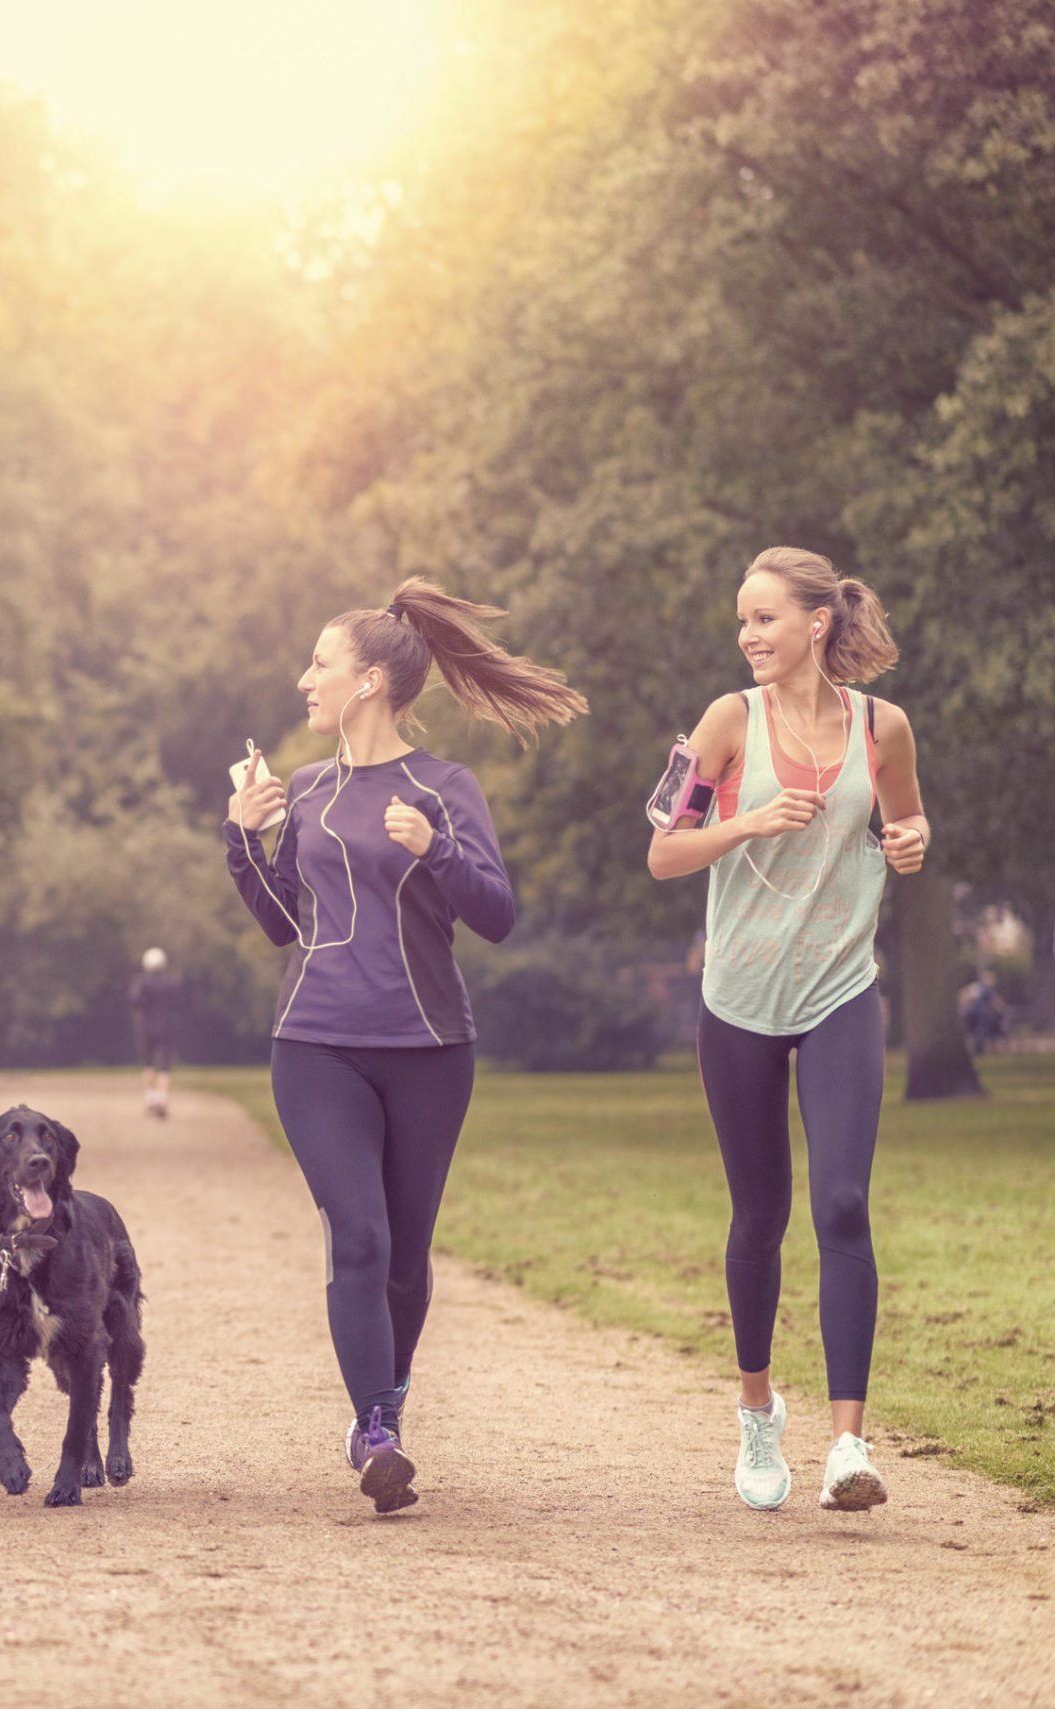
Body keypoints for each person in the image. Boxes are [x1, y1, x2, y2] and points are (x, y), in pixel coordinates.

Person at [226, 576, 584, 1513]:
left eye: (320, 662)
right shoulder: (305, 788)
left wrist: (437, 848)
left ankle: (383, 1404)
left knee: (407, 1257)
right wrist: (241, 839)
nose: (304, 678)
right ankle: (376, 1434)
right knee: (359, 1234)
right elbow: (281, 927)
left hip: (429, 1047)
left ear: (372, 681)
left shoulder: (444, 788)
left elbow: (497, 916)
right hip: (316, 1043)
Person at [648, 546, 929, 1514]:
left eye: (764, 617)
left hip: (841, 986)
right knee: (758, 1213)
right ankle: (757, 1407)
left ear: (817, 622)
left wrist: (910, 840)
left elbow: (903, 830)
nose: (748, 635)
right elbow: (661, 850)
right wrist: (747, 822)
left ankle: (848, 1442)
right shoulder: (727, 720)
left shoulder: (883, 727)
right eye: (741, 620)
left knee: (843, 1202)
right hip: (738, 996)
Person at [129, 947, 185, 1118]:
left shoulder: (142, 982)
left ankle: (150, 1099)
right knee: (165, 1066)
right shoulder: (171, 982)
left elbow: (134, 1000)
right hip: (167, 1028)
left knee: (147, 1064)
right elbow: (179, 1003)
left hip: (146, 1028)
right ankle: (162, 1099)